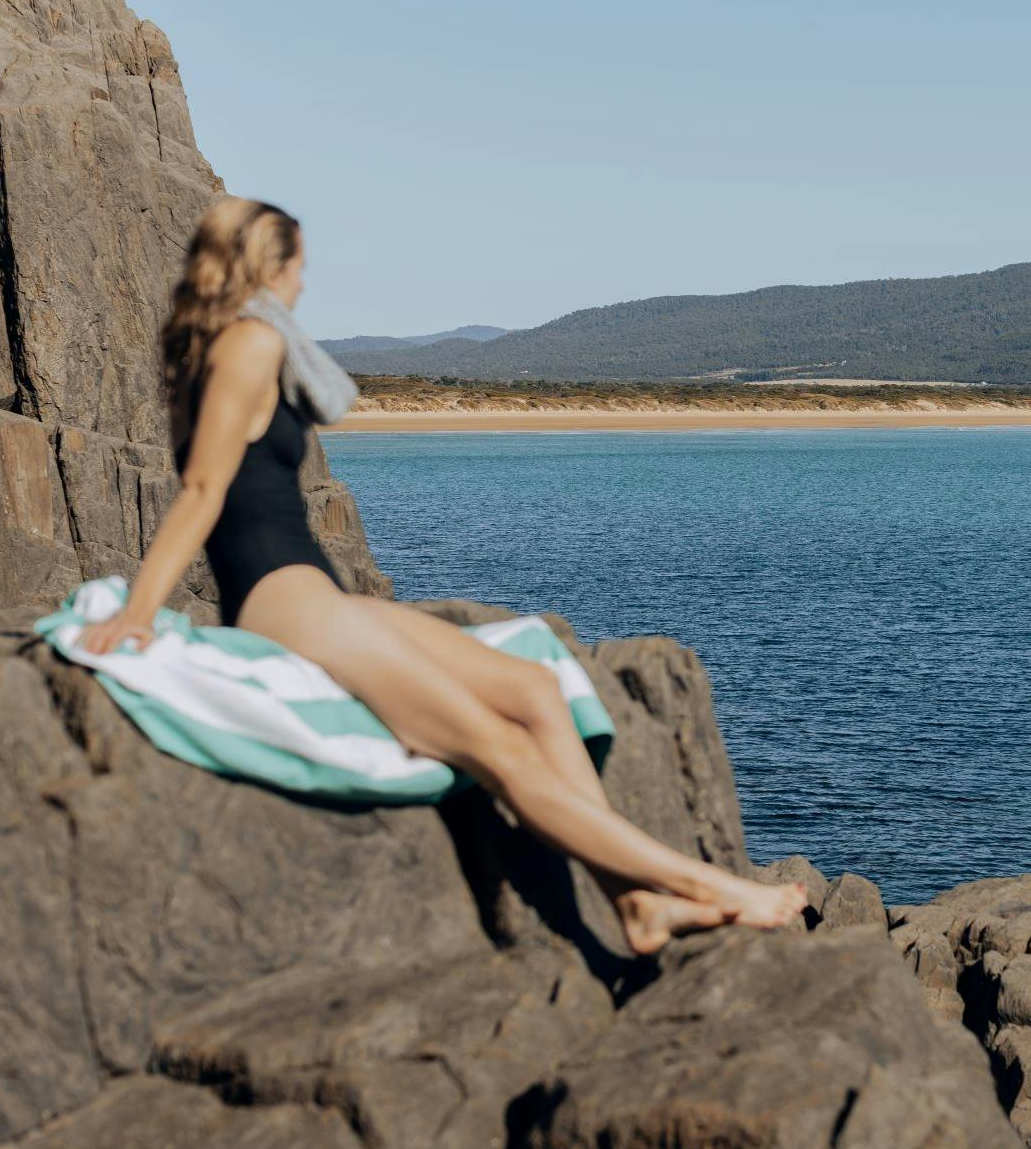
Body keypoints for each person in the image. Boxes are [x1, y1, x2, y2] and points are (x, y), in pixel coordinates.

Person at [80, 197, 806, 953]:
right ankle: (701, 885)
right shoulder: (250, 343)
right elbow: (203, 490)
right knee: (501, 751)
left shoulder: (229, 344)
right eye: (299, 270)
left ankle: (632, 903)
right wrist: (140, 610)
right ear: (272, 267)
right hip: (283, 602)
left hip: (316, 595)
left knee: (532, 692)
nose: (303, 287)